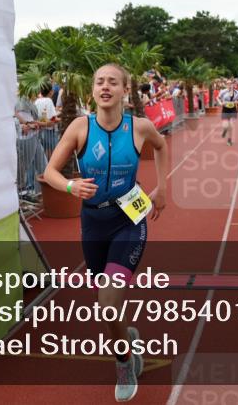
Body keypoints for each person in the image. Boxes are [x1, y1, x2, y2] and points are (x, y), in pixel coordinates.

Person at [43, 63, 169, 402]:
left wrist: (162, 188)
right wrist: (70, 186)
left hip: (129, 219)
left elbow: (161, 147)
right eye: (99, 81)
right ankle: (124, 337)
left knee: (108, 304)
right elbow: (50, 171)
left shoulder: (139, 127)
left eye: (113, 82)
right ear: (93, 91)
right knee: (107, 311)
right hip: (93, 223)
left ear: (125, 90)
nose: (105, 86)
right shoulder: (79, 127)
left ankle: (125, 362)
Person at [218, 80, 238, 146]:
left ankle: (229, 140)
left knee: (231, 125)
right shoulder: (223, 91)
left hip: (233, 110)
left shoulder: (237, 92)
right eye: (228, 84)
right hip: (225, 109)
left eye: (230, 84)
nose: (229, 85)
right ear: (226, 85)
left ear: (232, 84)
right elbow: (218, 98)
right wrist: (220, 103)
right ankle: (225, 130)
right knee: (225, 125)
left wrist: (236, 102)